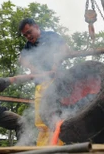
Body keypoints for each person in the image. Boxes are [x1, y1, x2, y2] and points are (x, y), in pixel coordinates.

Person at [18, 18, 69, 146]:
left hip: (57, 82)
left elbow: (65, 48)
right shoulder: (28, 46)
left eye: (29, 32)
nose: (28, 36)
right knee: (40, 119)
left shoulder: (51, 36)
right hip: (40, 84)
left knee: (56, 116)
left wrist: (56, 65)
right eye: (25, 35)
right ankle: (42, 148)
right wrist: (35, 70)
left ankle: (57, 147)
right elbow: (22, 59)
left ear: (36, 26)